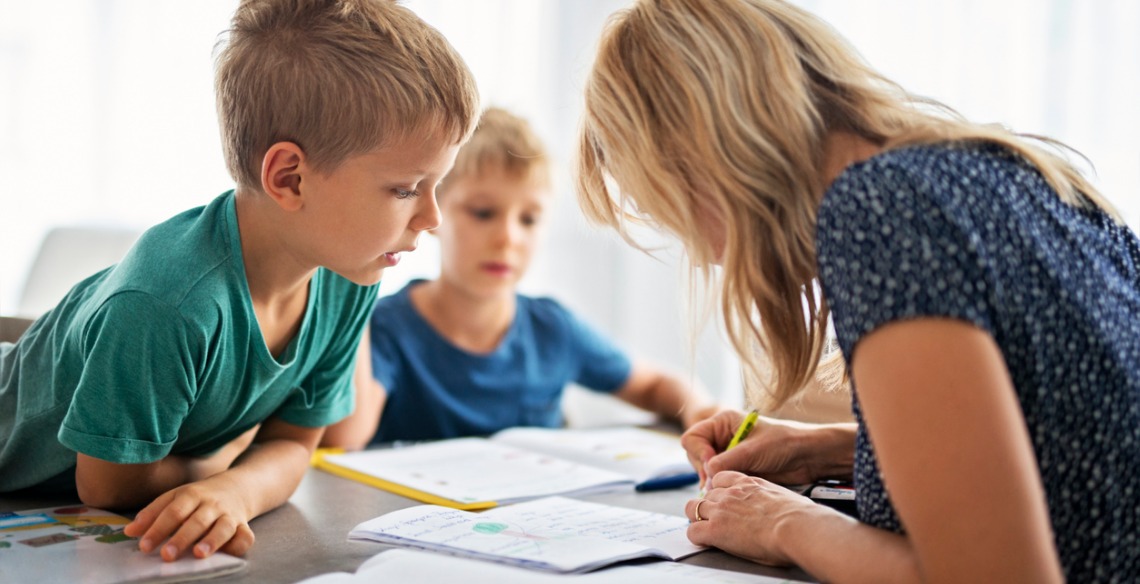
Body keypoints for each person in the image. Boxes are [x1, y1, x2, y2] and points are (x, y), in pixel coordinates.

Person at [575, 0, 1139, 582]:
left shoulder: (881, 210)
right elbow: (1063, 439)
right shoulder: (1016, 170)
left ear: (701, 152)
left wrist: (784, 524)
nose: (703, 254)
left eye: (672, 209)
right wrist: (824, 448)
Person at [0, 0, 478, 563]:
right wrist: (221, 460)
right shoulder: (168, 305)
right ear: (289, 178)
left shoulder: (352, 278)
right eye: (406, 189)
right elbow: (108, 488)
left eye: (436, 185)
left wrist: (237, 489)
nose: (434, 218)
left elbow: (297, 442)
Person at [322, 107, 720, 449]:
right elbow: (347, 437)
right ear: (434, 214)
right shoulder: (388, 328)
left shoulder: (552, 328)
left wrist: (704, 410)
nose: (508, 238)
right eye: (482, 213)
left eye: (529, 219)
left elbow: (652, 385)